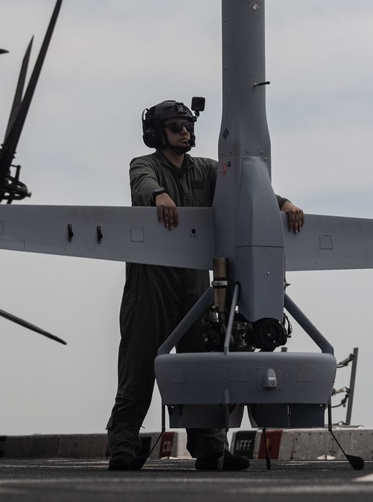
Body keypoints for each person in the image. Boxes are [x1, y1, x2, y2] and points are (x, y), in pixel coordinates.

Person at [106, 99, 304, 472]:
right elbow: (142, 183)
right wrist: (157, 195)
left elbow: (242, 192)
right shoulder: (145, 165)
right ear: (157, 134)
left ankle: (211, 449)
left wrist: (283, 203)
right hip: (151, 282)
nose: (185, 132)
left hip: (196, 282)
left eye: (187, 126)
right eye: (176, 127)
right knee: (138, 366)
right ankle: (122, 446)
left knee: (205, 363)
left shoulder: (208, 170)